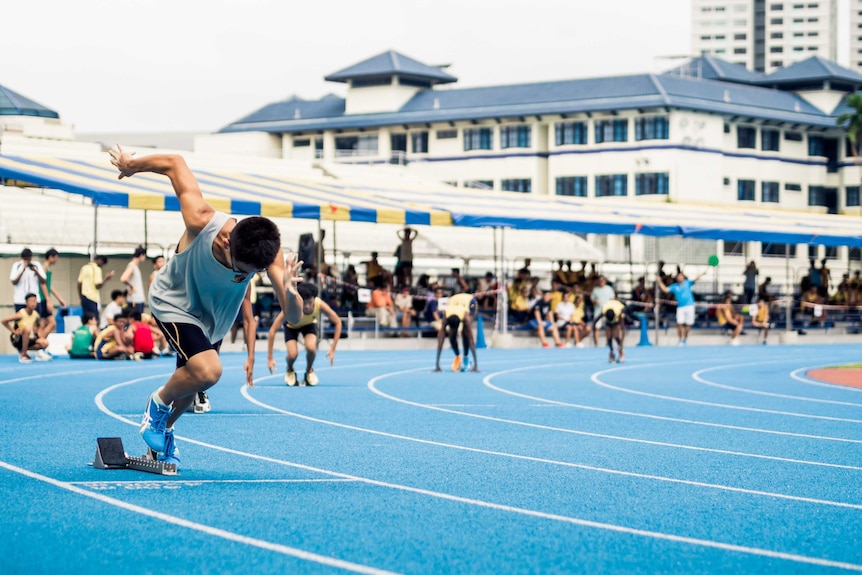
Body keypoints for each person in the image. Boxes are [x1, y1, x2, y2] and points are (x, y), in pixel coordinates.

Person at [110, 145, 302, 469]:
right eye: (242, 270)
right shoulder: (201, 220)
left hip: (212, 319)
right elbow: (174, 162)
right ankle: (155, 404)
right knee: (209, 371)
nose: (246, 276)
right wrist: (131, 165)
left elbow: (294, 318)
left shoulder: (268, 255)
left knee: (191, 381)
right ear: (228, 241)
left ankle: (163, 432)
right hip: (173, 302)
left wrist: (292, 292)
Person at [267, 282, 342, 386]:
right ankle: (290, 369)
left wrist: (332, 349)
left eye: (310, 302)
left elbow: (338, 322)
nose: (307, 306)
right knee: (292, 355)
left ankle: (309, 371)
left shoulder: (319, 304)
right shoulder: (290, 306)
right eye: (304, 303)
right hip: (291, 326)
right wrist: (270, 357)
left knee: (311, 348)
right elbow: (272, 331)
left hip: (309, 325)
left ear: (314, 299)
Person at [657, 269, 707, 346]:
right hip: (680, 307)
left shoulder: (688, 283)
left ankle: (685, 340)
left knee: (688, 324)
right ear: (677, 278)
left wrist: (702, 273)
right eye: (679, 276)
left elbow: (696, 278)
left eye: (681, 276)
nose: (680, 277)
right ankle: (680, 339)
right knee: (679, 323)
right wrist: (660, 282)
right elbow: (665, 290)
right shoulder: (674, 286)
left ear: (683, 277)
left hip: (690, 306)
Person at [434, 292, 479, 372]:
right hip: (453, 300)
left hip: (470, 301)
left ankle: (466, 356)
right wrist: (437, 365)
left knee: (466, 332)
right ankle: (458, 356)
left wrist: (476, 366)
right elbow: (440, 340)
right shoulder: (446, 315)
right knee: (452, 335)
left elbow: (471, 340)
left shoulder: (465, 316)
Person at [2, 293, 51, 363]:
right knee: (27, 328)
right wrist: (14, 331)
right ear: (26, 303)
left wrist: (38, 335)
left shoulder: (36, 314)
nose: (33, 303)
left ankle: (23, 349)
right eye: (31, 301)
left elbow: (38, 326)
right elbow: (4, 321)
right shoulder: (21, 314)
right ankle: (23, 355)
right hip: (17, 338)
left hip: (28, 338)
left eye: (34, 301)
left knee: (44, 343)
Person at [40, 248, 67, 337]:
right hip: (42, 298)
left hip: (44, 298)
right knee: (51, 323)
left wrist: (59, 298)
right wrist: (48, 300)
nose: (57, 260)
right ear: (51, 257)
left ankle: (40, 344)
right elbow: (42, 284)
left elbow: (49, 285)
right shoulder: (44, 268)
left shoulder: (47, 269)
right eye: (56, 257)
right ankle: (39, 342)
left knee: (43, 323)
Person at [121, 247, 148, 313]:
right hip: (135, 299)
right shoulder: (132, 266)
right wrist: (132, 286)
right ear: (142, 255)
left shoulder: (135, 266)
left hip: (137, 299)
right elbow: (123, 278)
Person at [600, 298, 627, 363]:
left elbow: (622, 328)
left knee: (616, 336)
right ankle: (611, 351)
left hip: (616, 320)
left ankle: (621, 352)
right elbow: (595, 320)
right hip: (609, 318)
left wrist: (621, 344)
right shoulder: (604, 310)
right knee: (609, 337)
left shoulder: (619, 312)